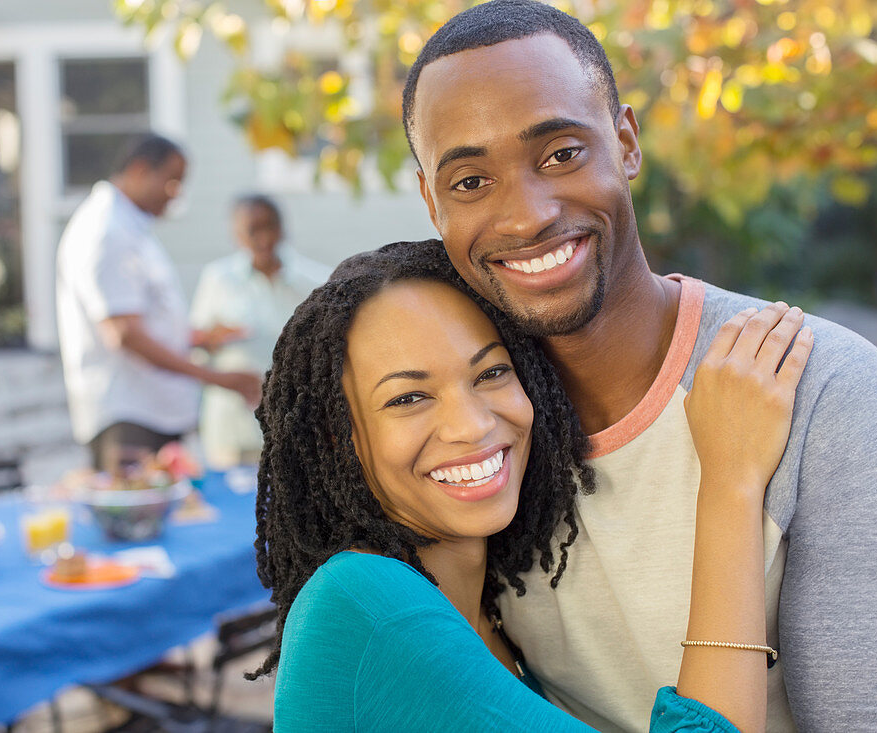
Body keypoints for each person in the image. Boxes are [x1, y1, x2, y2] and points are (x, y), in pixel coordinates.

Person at [400, 2, 877, 731]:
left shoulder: (820, 390)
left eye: (561, 153)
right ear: (430, 201)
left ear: (627, 142)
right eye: (470, 182)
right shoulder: (465, 440)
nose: (526, 215)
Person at [253, 241, 812, 732]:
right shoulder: (368, 604)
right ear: (335, 439)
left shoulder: (485, 613)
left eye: (491, 373)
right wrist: (732, 481)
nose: (472, 425)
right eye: (408, 398)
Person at [55, 134, 261, 471]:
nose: (177, 193)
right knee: (139, 518)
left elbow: (141, 319)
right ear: (138, 170)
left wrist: (199, 337)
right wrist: (220, 379)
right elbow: (124, 335)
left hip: (152, 412)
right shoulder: (107, 231)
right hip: (129, 416)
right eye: (172, 181)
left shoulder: (129, 227)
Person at [190, 194, 329, 468]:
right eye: (254, 230)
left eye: (271, 226)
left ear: (283, 228)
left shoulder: (314, 282)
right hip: (233, 430)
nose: (264, 238)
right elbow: (195, 346)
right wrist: (212, 340)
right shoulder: (218, 280)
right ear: (237, 234)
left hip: (295, 429)